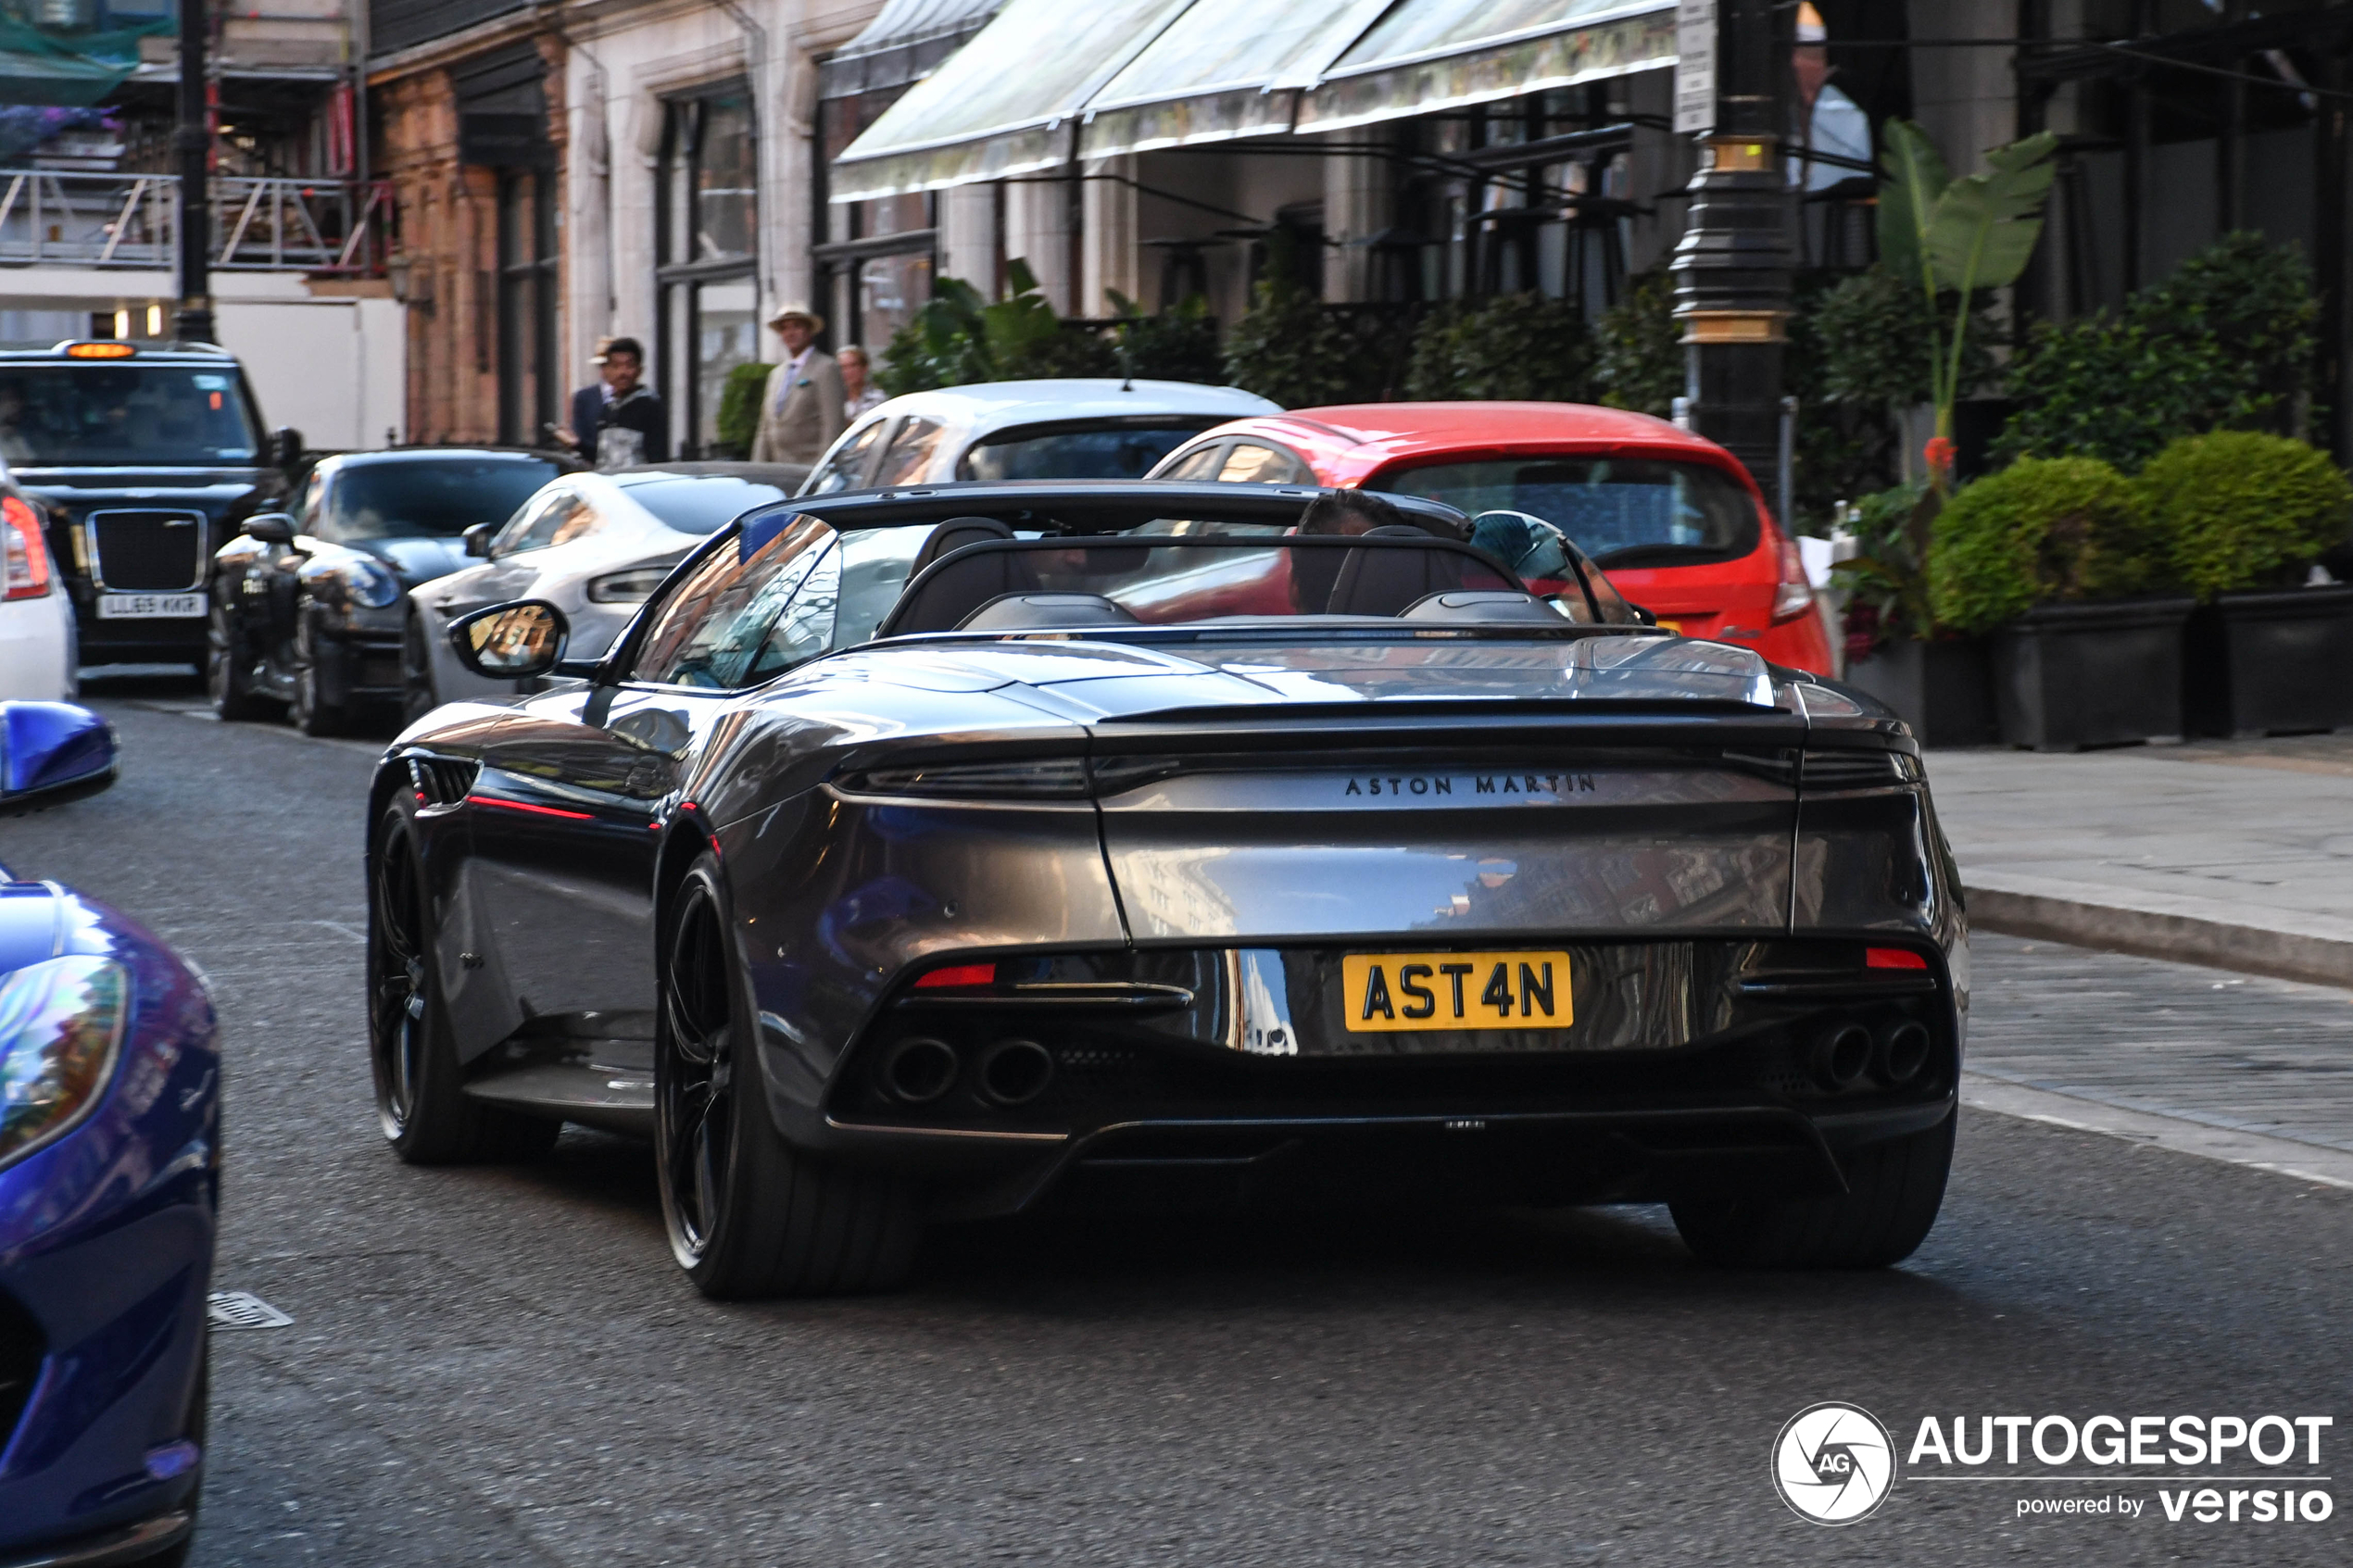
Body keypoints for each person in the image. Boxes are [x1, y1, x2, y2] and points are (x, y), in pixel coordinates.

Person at [749, 306, 846, 466]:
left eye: (797, 326)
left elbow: (832, 424)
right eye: (784, 328)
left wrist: (822, 470)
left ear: (809, 331)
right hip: (778, 469)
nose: (790, 333)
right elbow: (765, 428)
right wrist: (757, 469)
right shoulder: (776, 374)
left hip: (809, 467)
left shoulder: (825, 368)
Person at [553, 336, 668, 469]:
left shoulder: (650, 405)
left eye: (629, 366)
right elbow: (601, 457)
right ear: (606, 371)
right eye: (616, 366)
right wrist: (576, 444)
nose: (622, 372)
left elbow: (657, 457)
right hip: (608, 484)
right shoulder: (608, 408)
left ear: (639, 370)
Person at [839, 344, 886, 420]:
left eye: (853, 366)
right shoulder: (835, 398)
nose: (848, 372)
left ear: (864, 368)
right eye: (843, 367)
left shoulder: (877, 398)